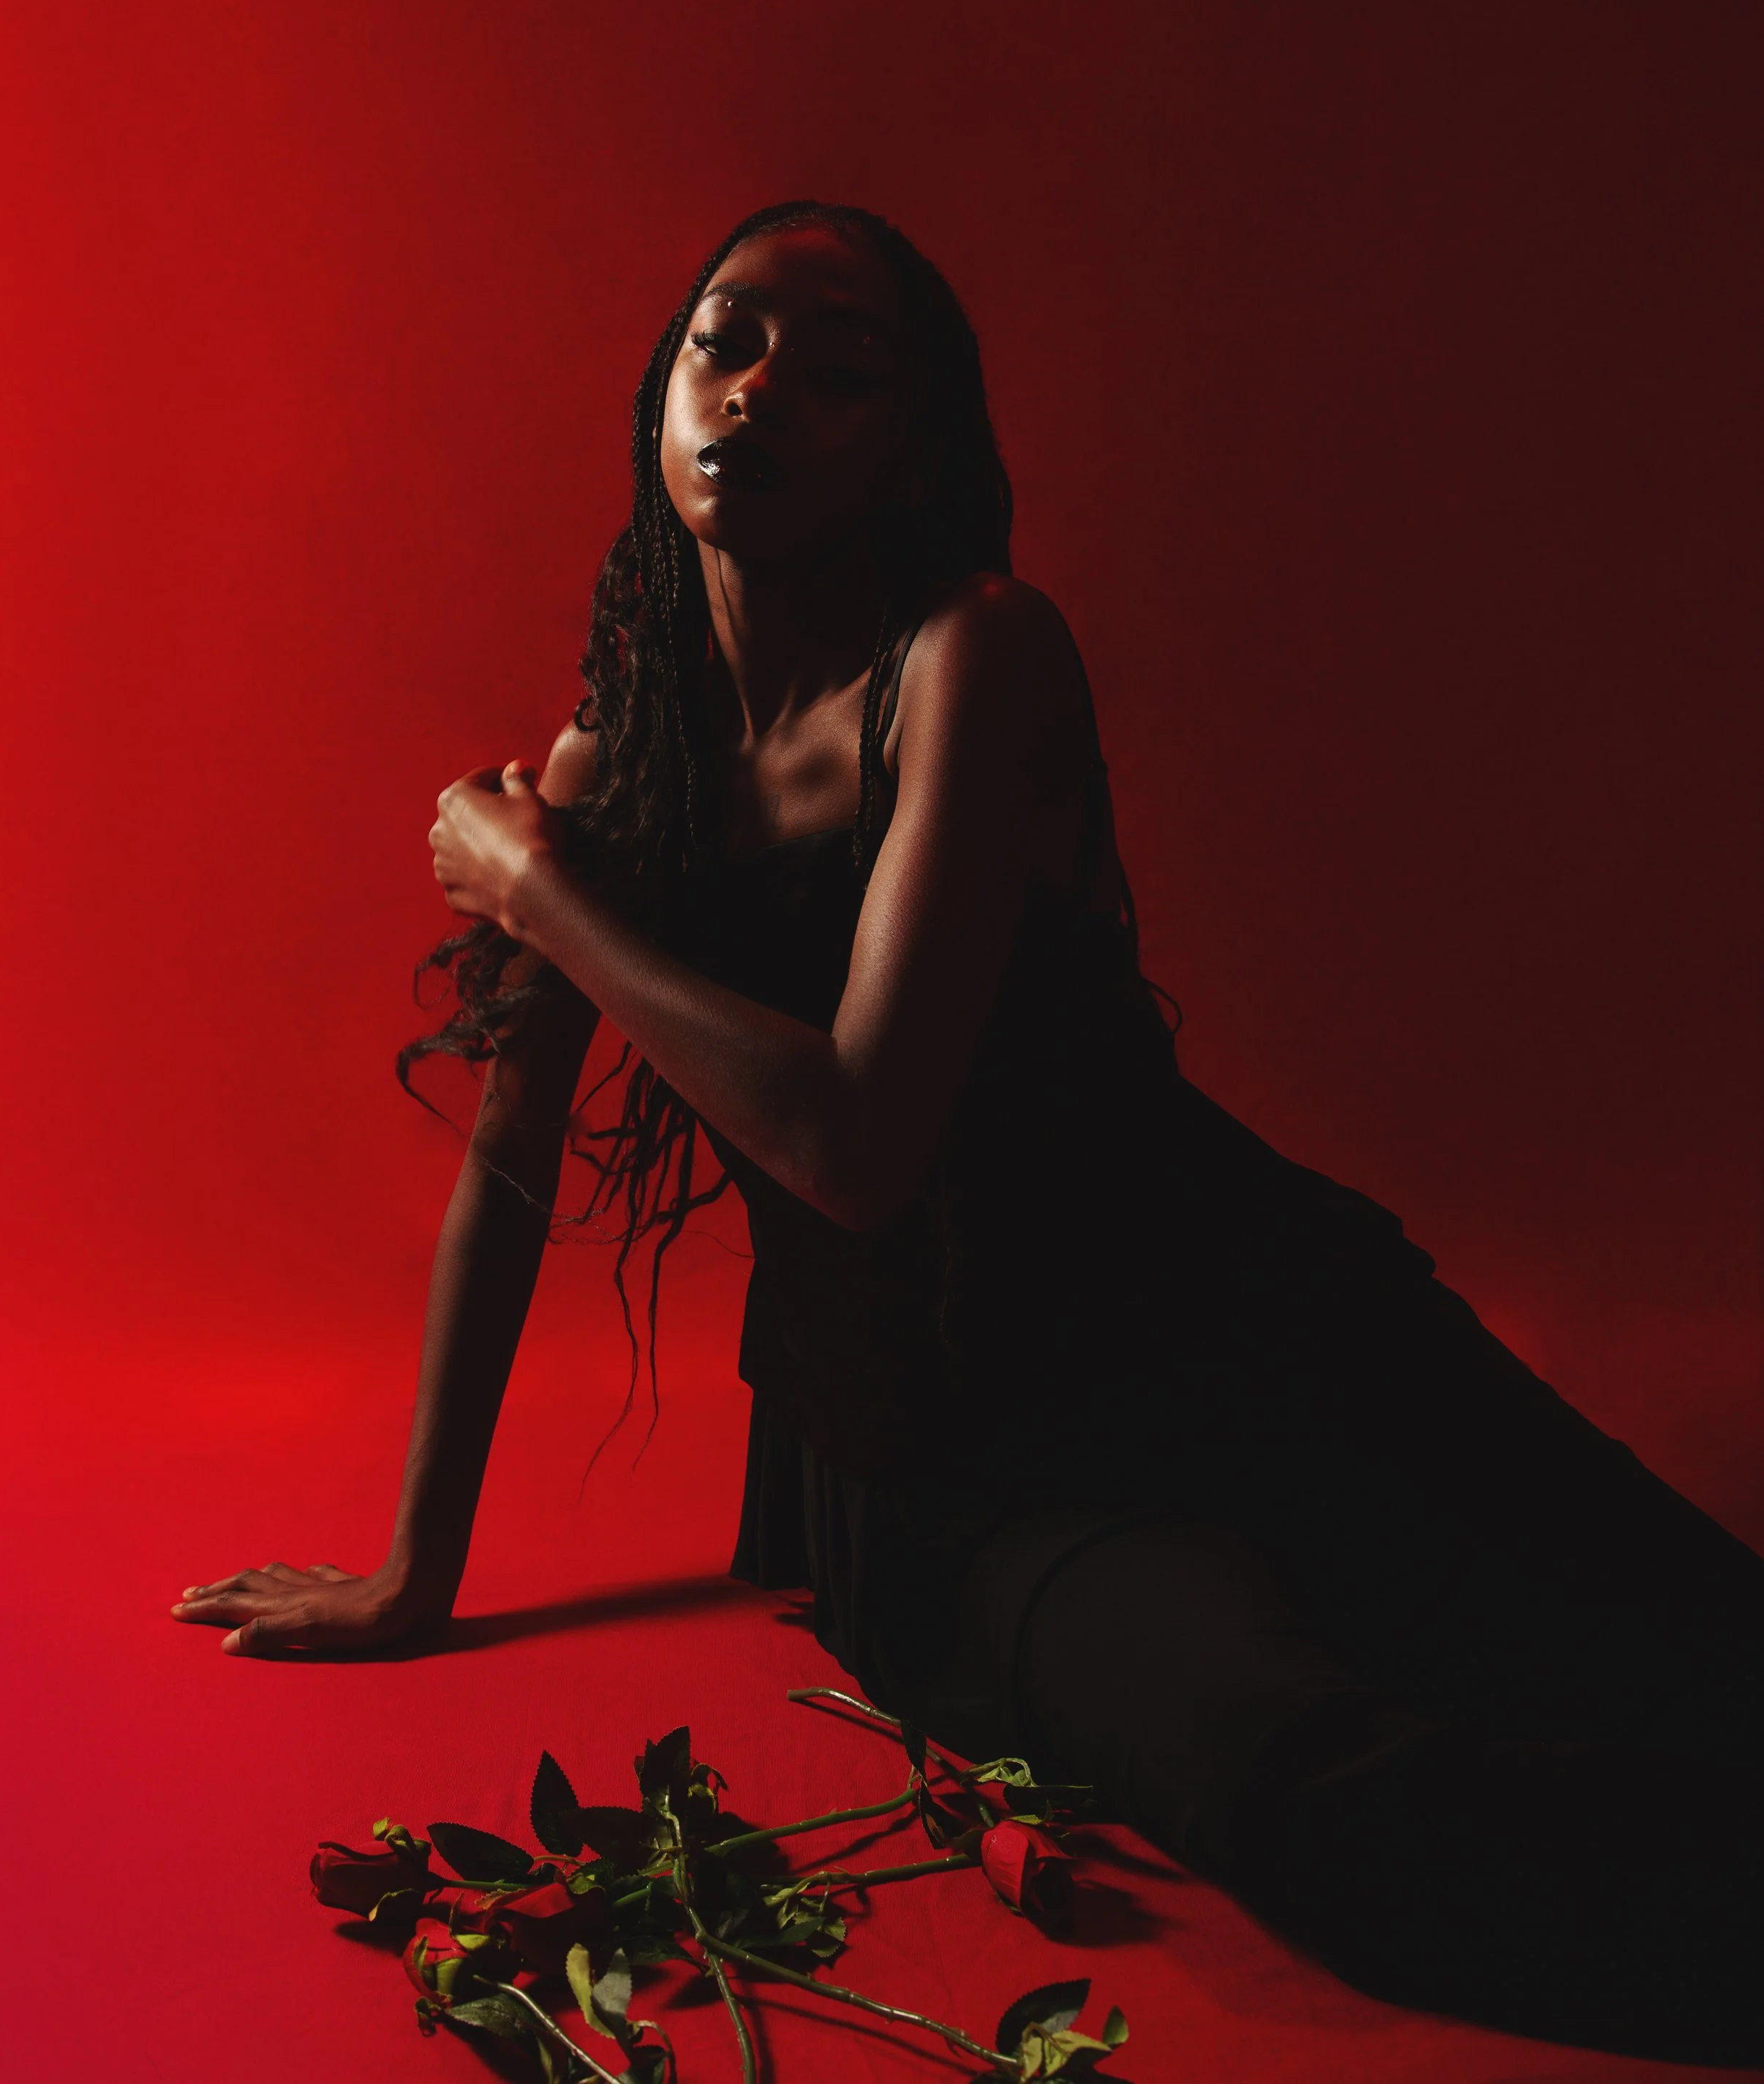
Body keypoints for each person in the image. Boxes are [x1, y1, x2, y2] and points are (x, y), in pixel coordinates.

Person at [173, 203, 1763, 2062]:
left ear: (912, 451)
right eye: (723, 341)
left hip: (1255, 1333)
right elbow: (510, 1169)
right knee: (1327, 1804)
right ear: (658, 390)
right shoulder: (617, 767)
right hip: (952, 1460)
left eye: (836, 373)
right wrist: (411, 1569)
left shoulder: (973, 660)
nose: (755, 391)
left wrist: (547, 905)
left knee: (1691, 1653)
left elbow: (855, 1134)